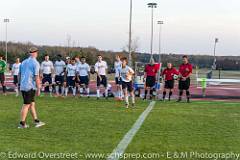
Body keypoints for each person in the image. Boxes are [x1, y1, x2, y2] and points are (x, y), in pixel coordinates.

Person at [18, 47, 45, 128]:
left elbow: (19, 74)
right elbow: (37, 77)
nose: (37, 54)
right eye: (36, 52)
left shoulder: (23, 62)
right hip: (29, 87)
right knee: (26, 105)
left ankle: (36, 121)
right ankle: (22, 123)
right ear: (35, 53)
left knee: (32, 104)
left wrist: (20, 84)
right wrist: (39, 88)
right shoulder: (36, 63)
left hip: (24, 86)